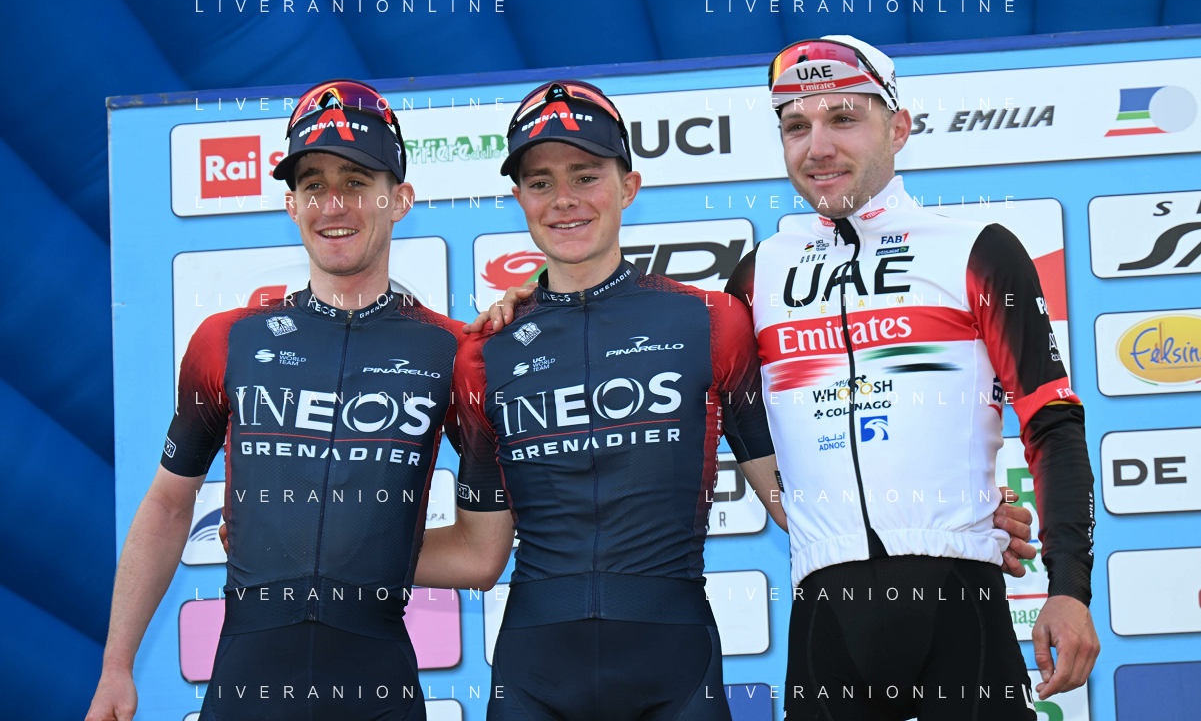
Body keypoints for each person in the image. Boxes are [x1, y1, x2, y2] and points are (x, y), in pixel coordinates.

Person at [430, 79, 1035, 721]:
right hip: (534, 676)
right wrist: (349, 552)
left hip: (674, 673)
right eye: (541, 182)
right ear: (519, 199)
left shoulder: (711, 321)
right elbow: (481, 551)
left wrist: (947, 518)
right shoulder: (484, 353)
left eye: (585, 175)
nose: (564, 199)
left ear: (628, 187)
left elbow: (793, 494)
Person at [723, 36, 1099, 719]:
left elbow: (1051, 423)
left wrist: (1068, 588)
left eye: (843, 118)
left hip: (960, 601)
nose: (817, 147)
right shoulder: (757, 277)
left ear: (897, 128)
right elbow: (739, 420)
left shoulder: (975, 248)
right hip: (824, 614)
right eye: (796, 127)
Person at [86, 80, 465, 721]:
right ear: (291, 204)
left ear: (399, 199)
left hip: (378, 687)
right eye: (314, 184)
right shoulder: (227, 340)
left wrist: (346, 549)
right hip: (245, 686)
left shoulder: (453, 351)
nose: (333, 204)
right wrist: (116, 666)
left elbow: (486, 553)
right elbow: (169, 505)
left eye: (356, 181)